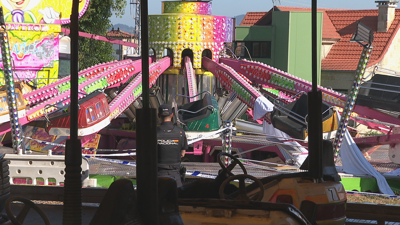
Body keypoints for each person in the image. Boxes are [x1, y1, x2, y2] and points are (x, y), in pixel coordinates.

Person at [157, 104, 188, 188]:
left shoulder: (153, 132)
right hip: (175, 176)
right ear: (171, 115)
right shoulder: (180, 132)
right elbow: (182, 154)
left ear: (158, 115)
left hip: (158, 176)